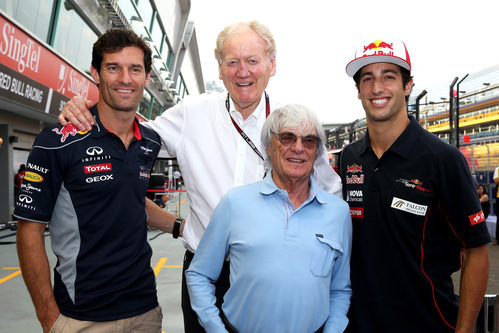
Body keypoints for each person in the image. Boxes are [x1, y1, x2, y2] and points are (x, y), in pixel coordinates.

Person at [58, 21, 342, 332]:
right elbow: (125, 134)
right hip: (204, 272)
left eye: (253, 61)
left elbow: (330, 197)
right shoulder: (191, 114)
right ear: (220, 69)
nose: (242, 71)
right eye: (232, 62)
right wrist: (85, 109)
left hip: (273, 274)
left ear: (271, 65)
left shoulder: (294, 128)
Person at [14, 29, 164, 333]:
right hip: (81, 317)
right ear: (95, 73)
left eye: (135, 69)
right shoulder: (56, 141)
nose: (125, 78)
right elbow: (29, 231)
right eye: (113, 67)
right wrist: (49, 318)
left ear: (147, 77)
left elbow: (130, 199)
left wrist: (178, 225)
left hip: (145, 310)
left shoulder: (150, 141)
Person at [340, 40, 490, 332]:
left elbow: (477, 251)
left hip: (428, 323)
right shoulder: (350, 157)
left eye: (389, 76)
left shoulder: (443, 159)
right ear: (358, 91)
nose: (377, 87)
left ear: (408, 86)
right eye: (367, 78)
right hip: (360, 324)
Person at [186, 104, 352, 333]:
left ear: (317, 151)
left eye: (309, 141)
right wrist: (216, 328)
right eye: (287, 138)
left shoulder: (338, 212)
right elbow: (199, 274)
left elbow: (340, 289)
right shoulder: (235, 204)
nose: (298, 148)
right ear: (268, 147)